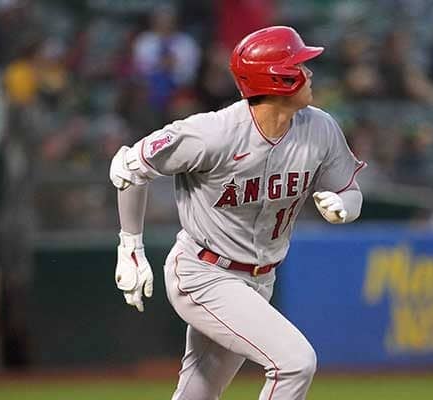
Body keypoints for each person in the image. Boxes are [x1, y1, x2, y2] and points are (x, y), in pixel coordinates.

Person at [109, 26, 365, 400]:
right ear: (277, 78)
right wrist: (130, 247)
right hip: (203, 272)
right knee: (295, 363)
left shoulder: (320, 128)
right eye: (299, 65)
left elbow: (350, 191)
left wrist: (345, 207)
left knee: (199, 393)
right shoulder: (213, 133)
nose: (309, 72)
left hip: (260, 279)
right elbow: (129, 166)